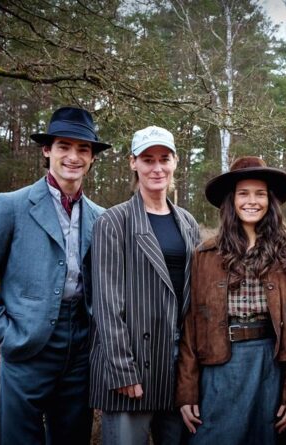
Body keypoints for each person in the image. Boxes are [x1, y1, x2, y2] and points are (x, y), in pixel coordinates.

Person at [0, 106, 111, 444]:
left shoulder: (101, 217)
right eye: (64, 146)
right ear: (47, 150)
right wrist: (2, 333)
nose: (73, 156)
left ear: (91, 158)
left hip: (80, 352)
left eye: (83, 149)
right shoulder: (10, 206)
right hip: (26, 345)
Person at [176, 156, 286, 444]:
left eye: (260, 194)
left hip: (270, 365)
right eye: (243, 193)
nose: (252, 201)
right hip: (220, 365)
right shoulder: (205, 255)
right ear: (231, 201)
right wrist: (186, 390)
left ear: (270, 200)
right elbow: (191, 326)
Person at [89, 126, 200, 444]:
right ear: (133, 163)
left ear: (175, 162)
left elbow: (194, 298)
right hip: (132, 367)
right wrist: (122, 369)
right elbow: (107, 303)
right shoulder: (114, 221)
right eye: (147, 159)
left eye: (164, 158)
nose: (157, 167)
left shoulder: (188, 222)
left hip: (176, 367)